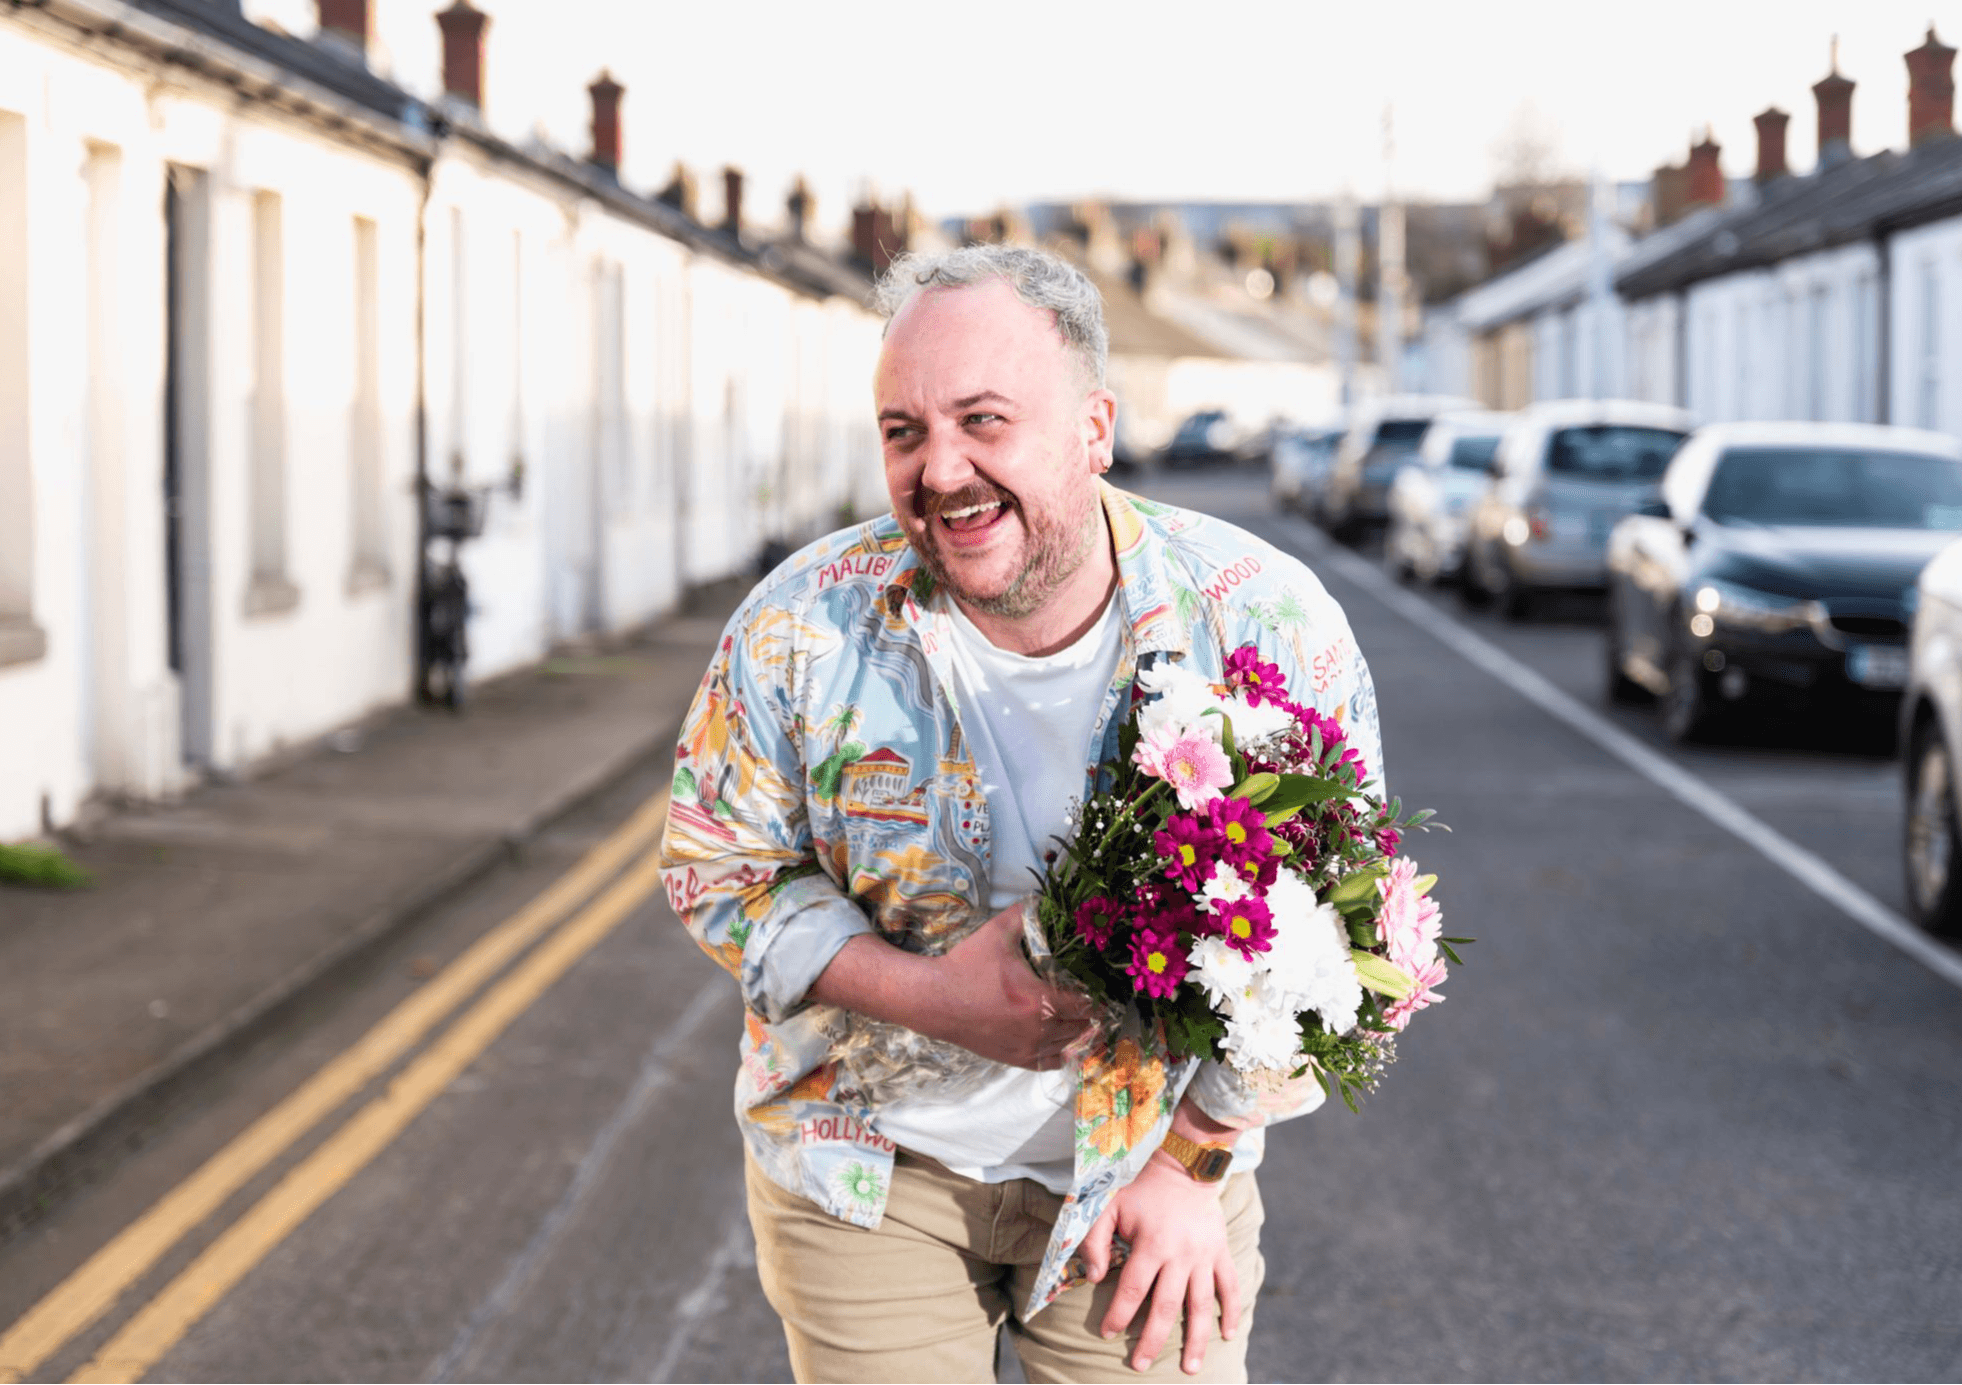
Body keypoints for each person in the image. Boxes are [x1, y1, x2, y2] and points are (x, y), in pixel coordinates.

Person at [660, 243, 1380, 1383]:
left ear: (1095, 426)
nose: (940, 468)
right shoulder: (800, 624)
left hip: (1150, 1173)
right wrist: (927, 995)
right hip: (870, 1166)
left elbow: (1351, 931)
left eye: (984, 420)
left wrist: (1196, 1156)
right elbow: (717, 861)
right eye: (904, 430)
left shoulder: (1263, 625)